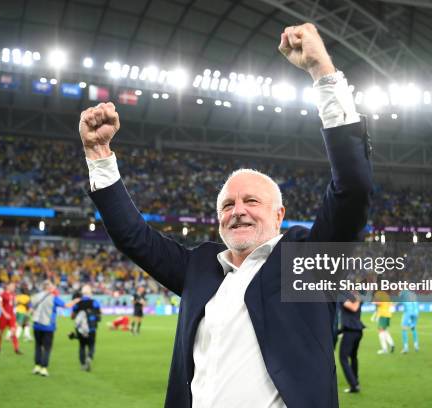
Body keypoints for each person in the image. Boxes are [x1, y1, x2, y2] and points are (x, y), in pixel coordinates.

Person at [80, 23, 371, 408]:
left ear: (279, 213)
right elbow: (133, 236)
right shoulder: (199, 267)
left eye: (251, 201)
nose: (238, 211)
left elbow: (353, 188)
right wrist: (100, 158)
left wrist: (322, 72)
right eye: (228, 205)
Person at [30, 280, 78, 377]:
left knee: (38, 346)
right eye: (52, 286)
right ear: (49, 288)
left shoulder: (35, 296)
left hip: (36, 325)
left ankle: (37, 366)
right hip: (48, 326)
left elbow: (31, 309)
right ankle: (44, 368)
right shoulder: (53, 298)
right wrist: (76, 300)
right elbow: (66, 306)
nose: (54, 288)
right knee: (47, 348)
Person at [339, 291, 365, 394]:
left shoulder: (343, 297)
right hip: (357, 331)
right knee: (353, 356)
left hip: (350, 331)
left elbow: (353, 308)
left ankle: (354, 385)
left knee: (343, 358)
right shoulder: (356, 297)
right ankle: (356, 381)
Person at [71, 285, 102, 371]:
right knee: (91, 345)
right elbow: (99, 315)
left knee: (82, 346)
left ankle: (83, 364)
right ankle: (89, 357)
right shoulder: (95, 302)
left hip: (80, 329)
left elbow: (72, 316)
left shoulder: (78, 303)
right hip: (92, 327)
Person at [0, 282, 22, 354]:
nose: (13, 287)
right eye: (12, 286)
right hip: (4, 317)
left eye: (14, 286)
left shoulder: (13, 295)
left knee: (13, 332)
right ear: (8, 286)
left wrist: (16, 304)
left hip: (12, 316)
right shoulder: (2, 294)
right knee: (0, 333)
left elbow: (14, 305)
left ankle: (16, 349)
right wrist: (5, 314)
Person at [373, 290, 395, 354]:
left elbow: (379, 303)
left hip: (383, 315)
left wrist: (374, 302)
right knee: (384, 330)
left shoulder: (378, 294)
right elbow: (392, 305)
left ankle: (384, 349)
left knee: (381, 331)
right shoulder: (386, 295)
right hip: (388, 315)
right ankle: (391, 344)